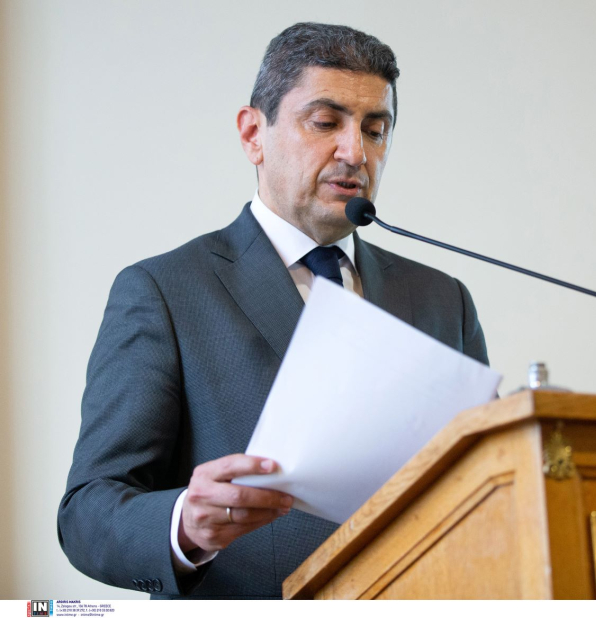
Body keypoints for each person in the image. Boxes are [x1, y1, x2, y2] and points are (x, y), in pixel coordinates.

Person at [58, 22, 489, 599]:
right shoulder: (163, 291)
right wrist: (185, 527)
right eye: (326, 122)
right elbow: (88, 513)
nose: (355, 152)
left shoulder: (444, 299)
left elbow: (480, 489)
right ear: (253, 134)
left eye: (375, 129)